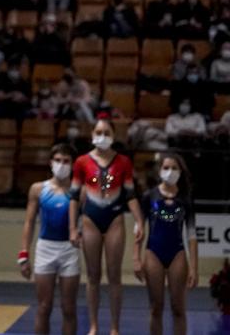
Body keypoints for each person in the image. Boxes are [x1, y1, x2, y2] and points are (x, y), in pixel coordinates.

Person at [69, 116, 143, 335]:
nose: (102, 137)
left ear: (113, 136)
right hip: (90, 219)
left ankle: (114, 327)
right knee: (92, 276)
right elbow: (74, 196)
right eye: (98, 133)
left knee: (114, 276)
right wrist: (73, 227)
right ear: (92, 136)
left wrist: (140, 220)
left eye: (106, 133)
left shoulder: (123, 162)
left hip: (114, 219)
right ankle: (93, 326)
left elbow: (130, 194)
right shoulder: (81, 162)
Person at [134, 153, 198, 335]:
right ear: (160, 170)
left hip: (177, 253)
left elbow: (192, 234)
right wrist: (136, 257)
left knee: (178, 308)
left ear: (180, 172)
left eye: (174, 168)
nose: (170, 172)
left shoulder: (185, 199)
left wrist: (193, 267)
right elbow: (138, 229)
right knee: (156, 307)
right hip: (153, 252)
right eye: (166, 168)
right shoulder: (149, 196)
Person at [19, 144, 79, 335]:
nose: (62, 165)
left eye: (66, 161)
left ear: (73, 164)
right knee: (44, 307)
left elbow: (105, 185)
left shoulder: (80, 190)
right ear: (50, 163)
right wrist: (23, 254)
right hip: (45, 248)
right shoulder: (37, 189)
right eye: (58, 161)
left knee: (69, 308)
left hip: (69, 250)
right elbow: (29, 223)